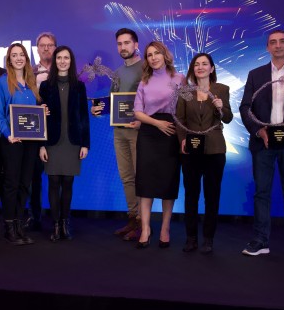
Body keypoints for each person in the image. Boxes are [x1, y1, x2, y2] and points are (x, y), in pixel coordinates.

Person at [240, 29, 284, 261]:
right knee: (261, 193)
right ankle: (260, 240)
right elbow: (245, 107)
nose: (277, 45)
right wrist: (259, 130)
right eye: (273, 42)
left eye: (282, 41)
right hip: (263, 142)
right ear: (267, 47)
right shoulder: (255, 74)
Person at [176, 53, 233, 253]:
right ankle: (191, 238)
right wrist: (182, 138)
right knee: (191, 194)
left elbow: (228, 118)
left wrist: (220, 108)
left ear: (212, 68)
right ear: (193, 69)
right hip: (191, 150)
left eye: (204, 64)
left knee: (212, 195)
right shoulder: (185, 91)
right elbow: (179, 119)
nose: (200, 67)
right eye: (197, 64)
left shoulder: (221, 90)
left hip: (215, 149)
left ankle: (208, 239)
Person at [91, 28, 143, 241]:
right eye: (120, 44)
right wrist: (98, 110)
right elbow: (114, 102)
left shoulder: (146, 69)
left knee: (140, 177)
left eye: (127, 43)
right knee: (126, 177)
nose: (123, 47)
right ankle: (133, 218)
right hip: (119, 131)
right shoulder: (118, 72)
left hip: (139, 131)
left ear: (136, 45)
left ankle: (143, 222)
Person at [133, 41, 185, 249]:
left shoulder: (179, 78)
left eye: (157, 53)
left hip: (171, 133)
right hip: (148, 132)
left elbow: (186, 107)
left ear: (165, 55)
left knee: (167, 183)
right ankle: (145, 229)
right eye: (149, 55)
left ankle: (165, 228)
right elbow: (138, 112)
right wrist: (156, 123)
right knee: (145, 183)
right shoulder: (144, 81)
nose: (153, 57)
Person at [39, 46, 90, 242]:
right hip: (52, 142)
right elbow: (40, 119)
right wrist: (41, 145)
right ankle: (55, 224)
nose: (62, 61)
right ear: (55, 61)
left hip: (73, 141)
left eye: (66, 58)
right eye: (59, 57)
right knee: (53, 183)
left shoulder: (79, 86)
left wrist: (85, 144)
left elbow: (84, 117)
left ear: (71, 61)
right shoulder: (45, 86)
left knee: (68, 183)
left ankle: (65, 222)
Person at [0, 43, 40, 246]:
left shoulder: (31, 82)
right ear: (9, 59)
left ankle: (20, 224)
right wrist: (7, 134)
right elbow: (0, 113)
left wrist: (42, 112)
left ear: (26, 58)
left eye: (22, 54)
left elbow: (34, 112)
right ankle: (9, 226)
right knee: (12, 184)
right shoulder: (3, 82)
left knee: (25, 184)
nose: (19, 58)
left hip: (31, 141)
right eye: (14, 55)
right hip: (12, 141)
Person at [24, 32, 57, 232]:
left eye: (50, 45)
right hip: (35, 131)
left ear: (56, 47)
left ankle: (58, 218)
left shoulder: (64, 70)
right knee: (34, 177)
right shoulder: (29, 73)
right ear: (37, 49)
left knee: (57, 176)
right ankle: (34, 216)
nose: (46, 48)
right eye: (42, 45)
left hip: (57, 131)